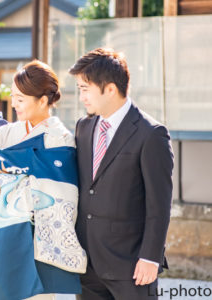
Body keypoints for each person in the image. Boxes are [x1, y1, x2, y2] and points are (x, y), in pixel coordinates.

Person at [70, 48, 174, 299]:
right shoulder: (84, 127)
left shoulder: (151, 134)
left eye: (85, 88)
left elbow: (159, 205)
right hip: (87, 265)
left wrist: (150, 257)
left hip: (132, 267)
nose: (81, 96)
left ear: (110, 89)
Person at [0, 60, 86, 300]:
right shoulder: (5, 133)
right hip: (4, 235)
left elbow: (62, 194)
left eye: (20, 99)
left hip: (37, 240)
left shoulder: (61, 140)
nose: (13, 104)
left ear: (43, 100)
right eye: (13, 97)